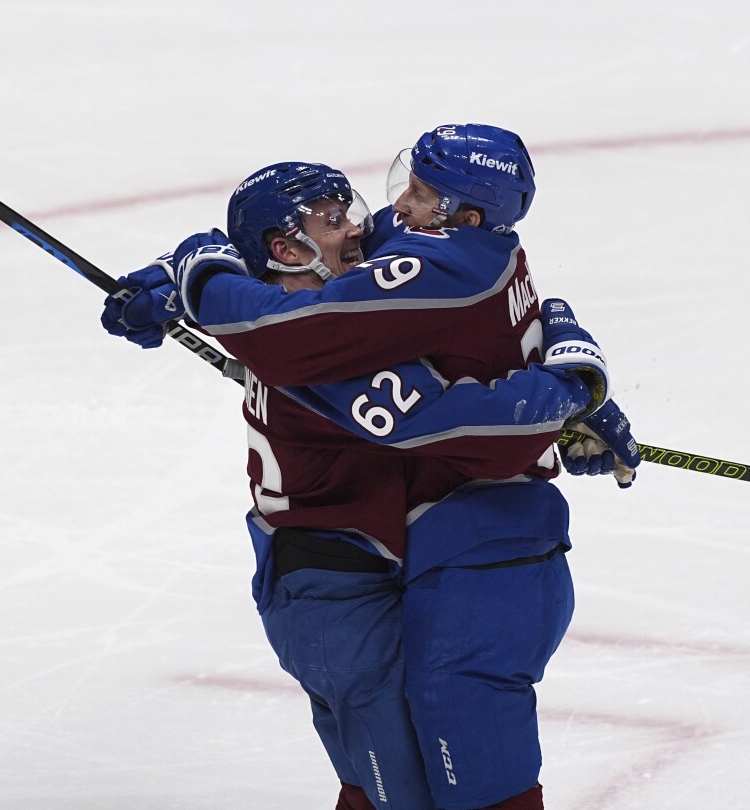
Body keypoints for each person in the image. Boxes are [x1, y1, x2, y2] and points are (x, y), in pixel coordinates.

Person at [104, 131, 637, 808]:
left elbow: (259, 287)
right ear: (285, 249)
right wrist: (568, 392)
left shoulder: (349, 296)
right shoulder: (324, 352)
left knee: (436, 779)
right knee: (404, 793)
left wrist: (180, 276)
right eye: (336, 220)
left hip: (408, 556)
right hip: (329, 579)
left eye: (411, 194)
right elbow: (446, 418)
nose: (370, 223)